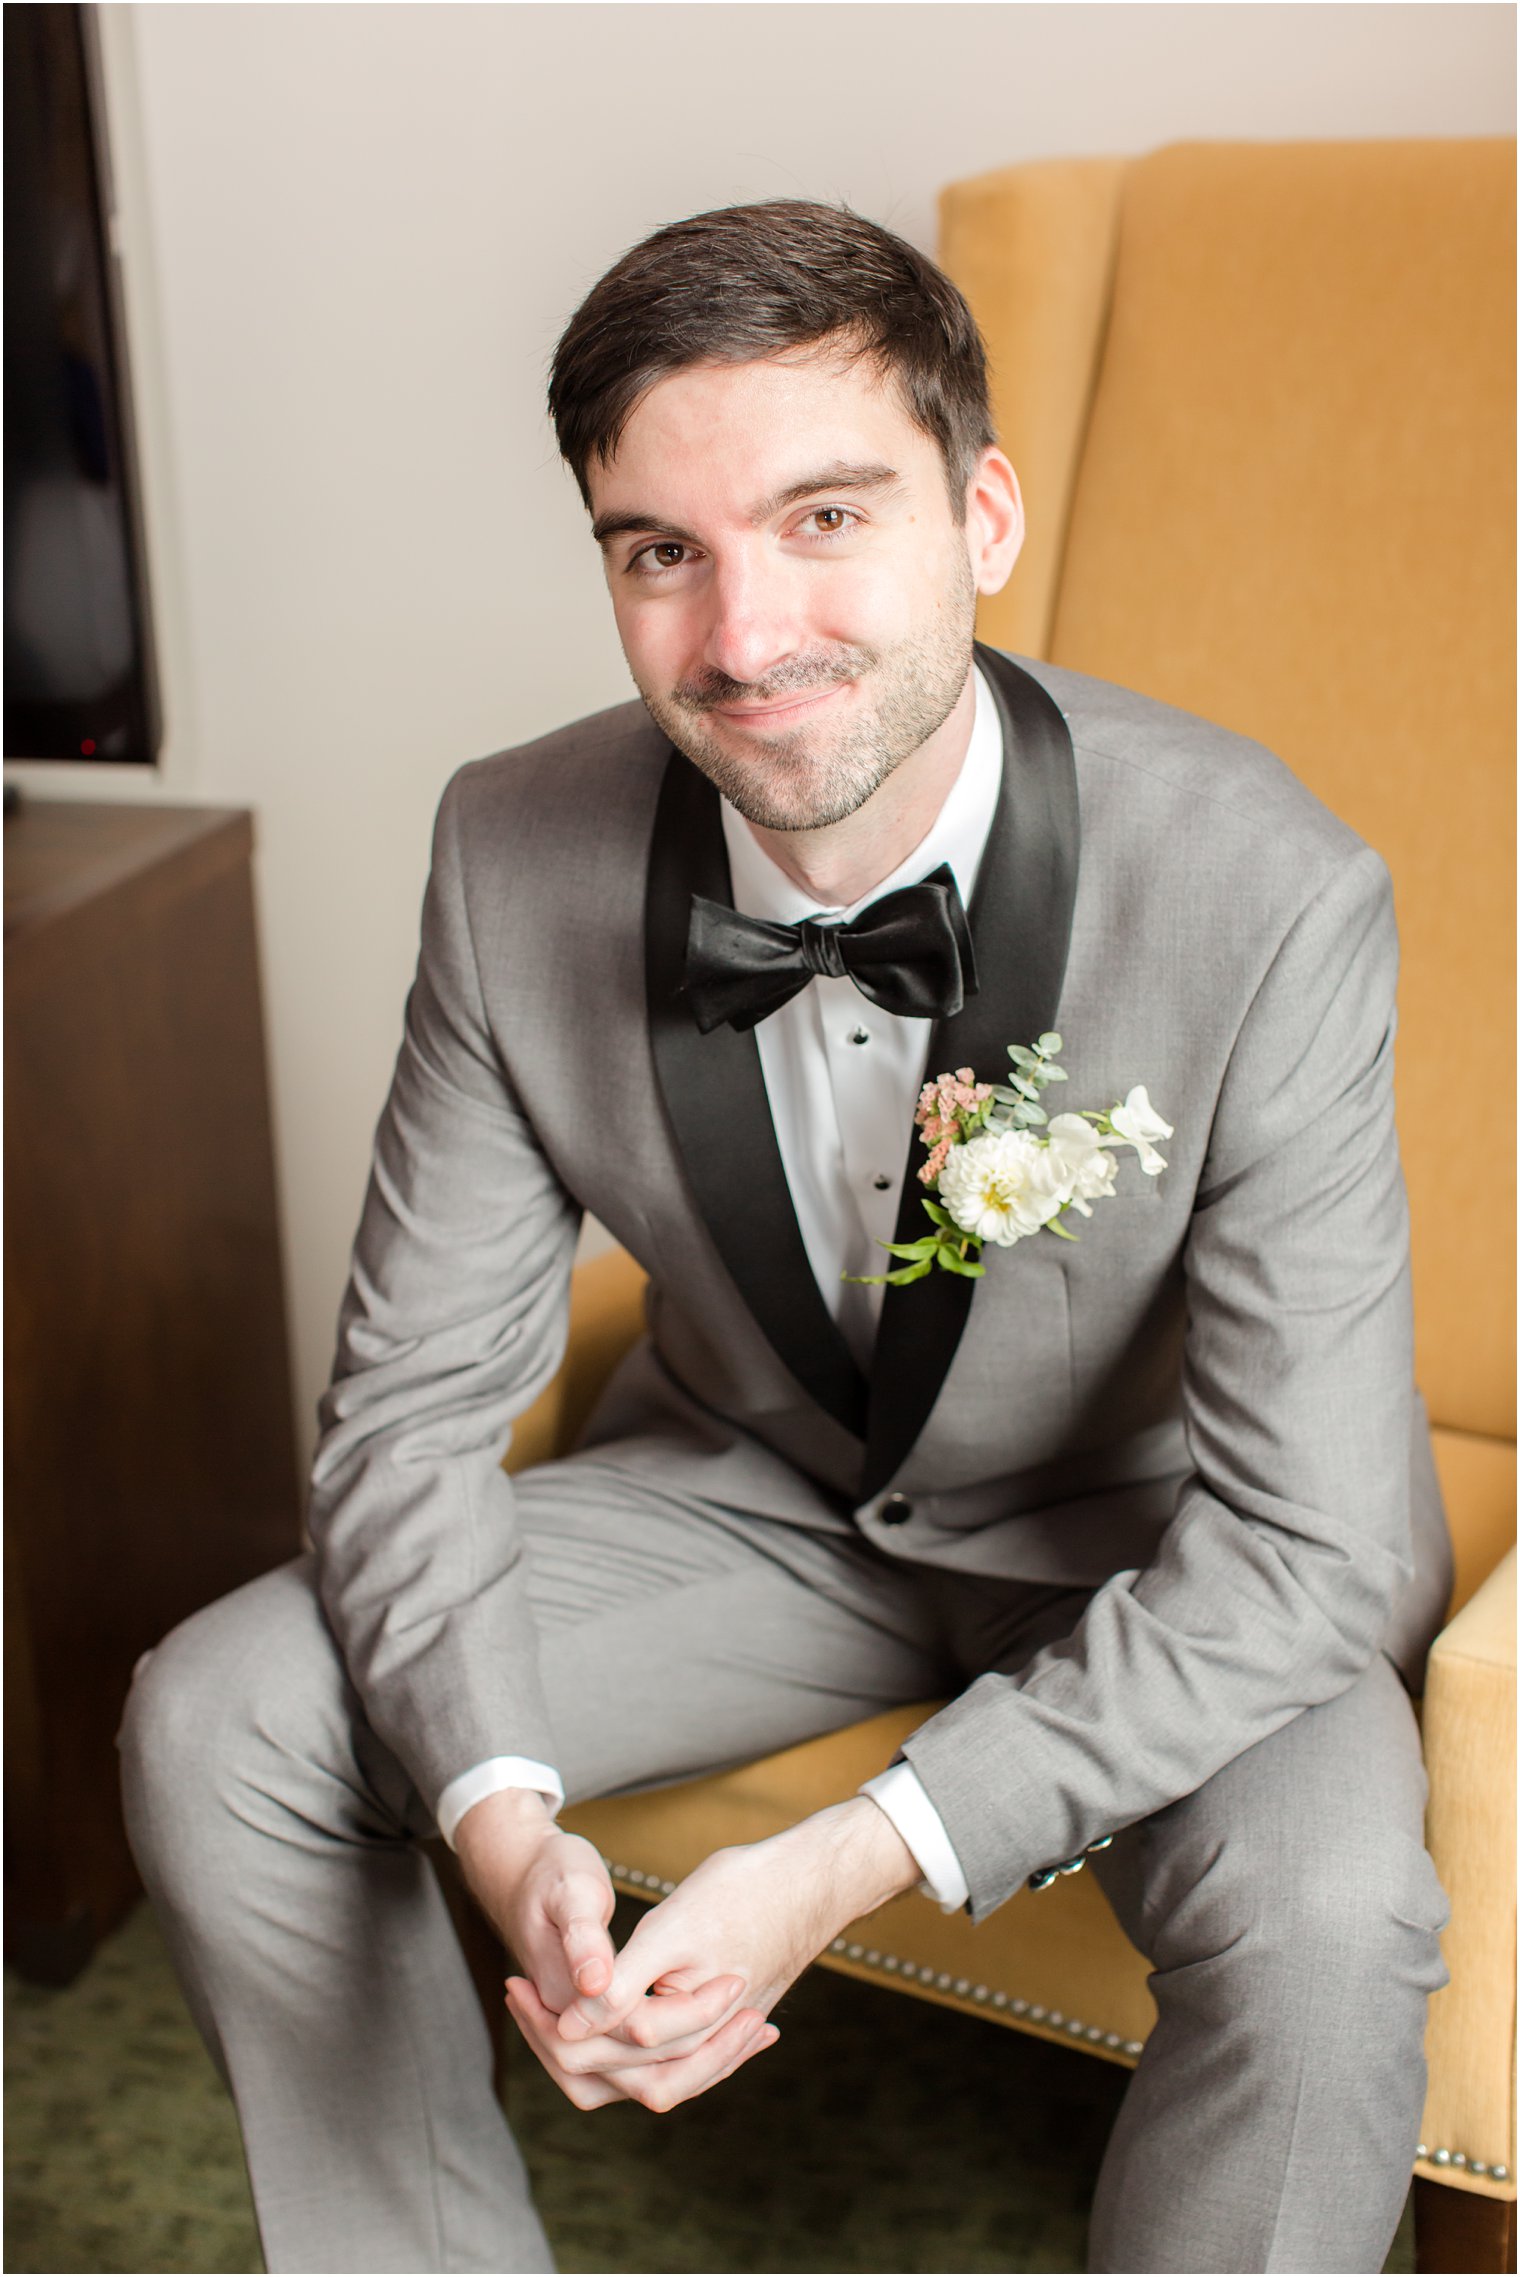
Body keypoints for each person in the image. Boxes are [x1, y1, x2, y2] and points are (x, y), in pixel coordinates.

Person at [121, 199, 1453, 2276]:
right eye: (661, 550)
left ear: (980, 513)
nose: (740, 637)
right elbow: (402, 1410)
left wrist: (850, 1859)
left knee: (1333, 1904)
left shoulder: (1266, 887)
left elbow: (1304, 1546)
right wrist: (496, 1820)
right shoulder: (510, 845)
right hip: (752, 1504)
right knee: (225, 1710)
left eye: (825, 517)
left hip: (1167, 1543)